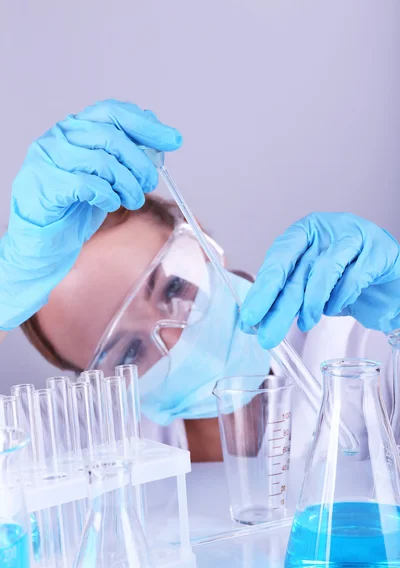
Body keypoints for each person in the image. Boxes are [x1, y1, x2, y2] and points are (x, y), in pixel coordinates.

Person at [0, 99, 399, 461]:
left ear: (203, 240)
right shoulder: (91, 441)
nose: (175, 341)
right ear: (96, 385)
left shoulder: (357, 343)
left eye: (173, 288)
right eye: (128, 354)